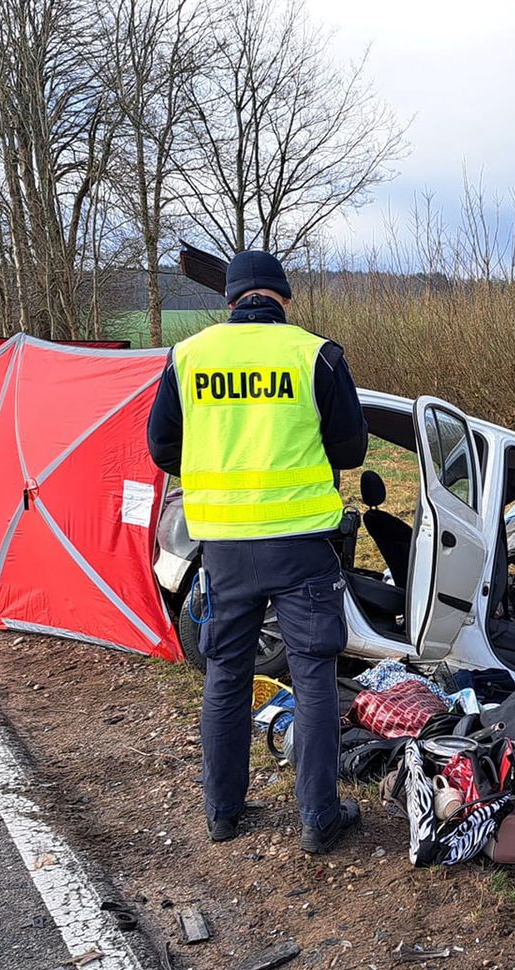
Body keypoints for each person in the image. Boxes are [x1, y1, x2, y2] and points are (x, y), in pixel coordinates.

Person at [147, 251, 368, 850]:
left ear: (231, 300)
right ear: (283, 297)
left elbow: (162, 447)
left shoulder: (189, 356)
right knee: (314, 675)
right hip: (300, 544)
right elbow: (350, 450)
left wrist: (218, 470)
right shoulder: (314, 353)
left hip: (223, 545)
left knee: (226, 673)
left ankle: (222, 812)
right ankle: (318, 820)